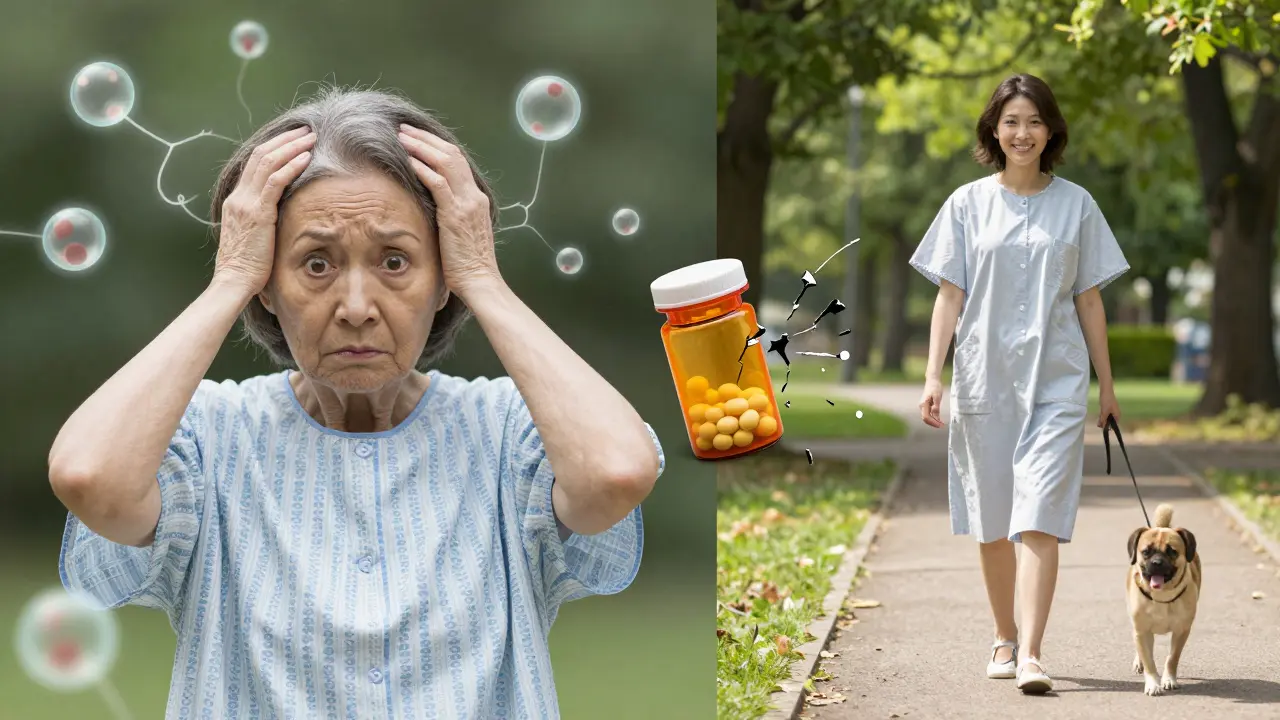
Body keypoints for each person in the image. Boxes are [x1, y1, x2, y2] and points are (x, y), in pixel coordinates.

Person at [49, 86, 665, 719]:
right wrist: (230, 275)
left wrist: (483, 275)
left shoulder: (509, 432)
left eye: (396, 261)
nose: (356, 308)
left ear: (442, 277)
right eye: (316, 264)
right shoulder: (209, 437)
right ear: (268, 282)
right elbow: (90, 478)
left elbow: (616, 473)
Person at [909, 73, 1128, 694]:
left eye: (1034, 122)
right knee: (995, 516)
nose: (1022, 133)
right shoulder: (966, 204)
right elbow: (949, 297)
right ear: (994, 131)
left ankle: (1031, 654)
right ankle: (1003, 636)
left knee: (1039, 515)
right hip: (984, 380)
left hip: (1058, 381)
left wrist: (1106, 387)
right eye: (1011, 122)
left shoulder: (1078, 204)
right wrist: (933, 375)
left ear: (1051, 129)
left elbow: (1089, 302)